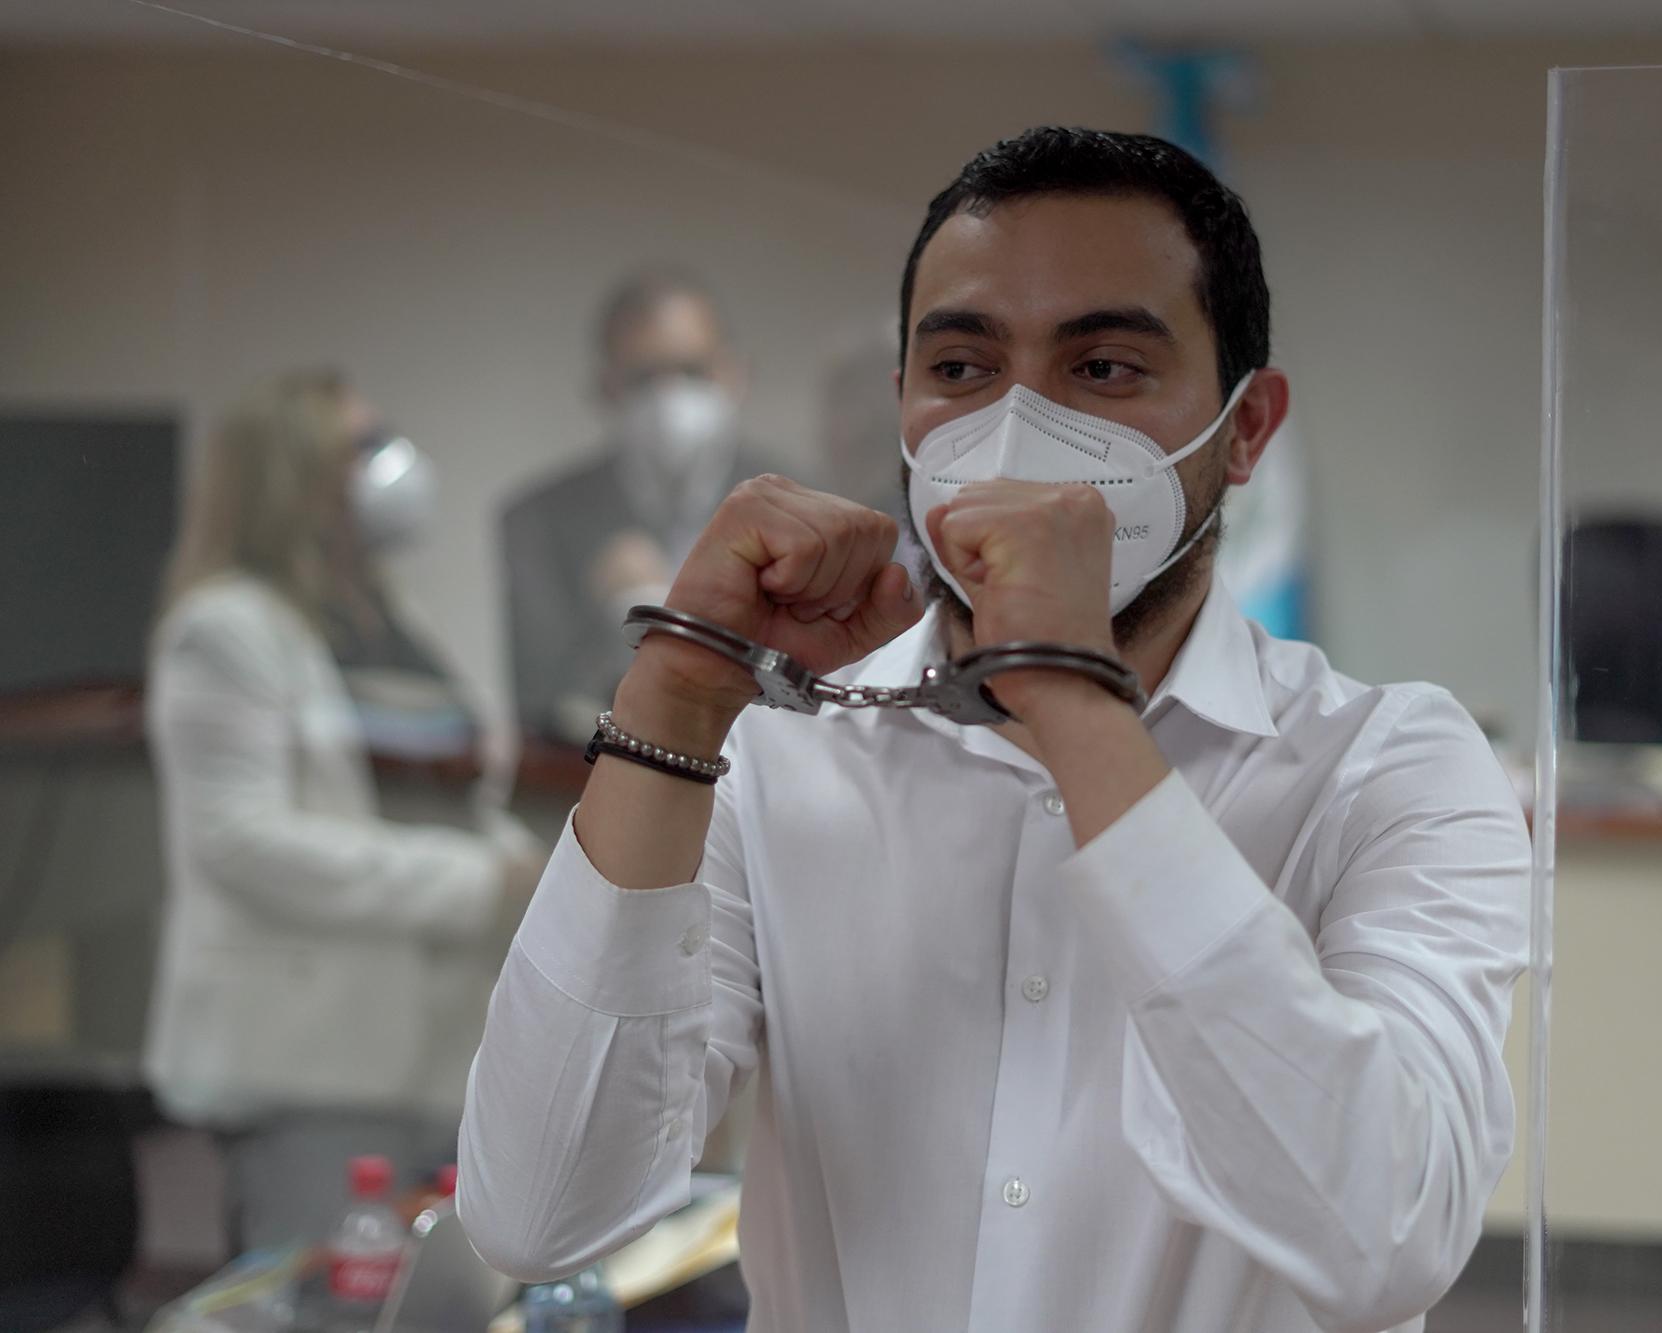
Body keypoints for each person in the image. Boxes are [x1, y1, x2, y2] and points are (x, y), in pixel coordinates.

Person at [461, 129, 1530, 1333]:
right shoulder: (780, 757)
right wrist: (674, 694)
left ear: (1243, 428)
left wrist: (1068, 699)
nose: (1018, 428)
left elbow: (1381, 1237)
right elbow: (536, 1213)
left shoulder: (1388, 772)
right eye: (963, 368)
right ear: (904, 410)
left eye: (1106, 368)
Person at [146, 369, 544, 1250]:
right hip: (311, 1067)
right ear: (297, 476)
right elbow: (243, 842)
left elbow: (448, 801)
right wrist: (483, 883)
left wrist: (547, 869)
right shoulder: (227, 629)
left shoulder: (389, 623)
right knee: (327, 1299)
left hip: (435, 1059)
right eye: (362, 447)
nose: (393, 466)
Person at [502, 272, 787, 744]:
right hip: (593, 793)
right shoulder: (538, 519)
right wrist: (615, 620)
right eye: (644, 378)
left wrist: (660, 612)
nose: (670, 398)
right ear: (605, 387)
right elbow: (541, 713)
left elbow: (821, 690)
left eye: (692, 371)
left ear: (735, 373)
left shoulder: (799, 502)